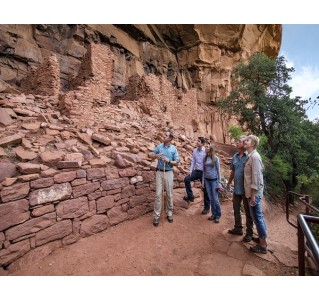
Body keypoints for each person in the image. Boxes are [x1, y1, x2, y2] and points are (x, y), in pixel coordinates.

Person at [226, 135, 254, 242]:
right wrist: (229, 183)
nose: (237, 143)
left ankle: (249, 233)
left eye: (239, 141)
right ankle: (238, 228)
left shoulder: (249, 157)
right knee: (236, 208)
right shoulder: (235, 156)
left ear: (244, 144)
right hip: (237, 187)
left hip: (246, 189)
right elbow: (233, 171)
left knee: (248, 211)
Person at [243, 135, 268, 254]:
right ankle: (261, 238)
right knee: (257, 217)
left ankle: (263, 245)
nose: (244, 141)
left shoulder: (255, 157)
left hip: (254, 193)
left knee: (257, 217)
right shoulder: (250, 156)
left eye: (247, 140)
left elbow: (256, 178)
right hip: (251, 193)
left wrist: (253, 195)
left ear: (252, 144)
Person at [150, 131, 179, 227]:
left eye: (166, 135)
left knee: (169, 194)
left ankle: (169, 213)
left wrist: (169, 161)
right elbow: (151, 157)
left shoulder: (173, 149)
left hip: (169, 172)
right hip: (159, 172)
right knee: (158, 194)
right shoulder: (159, 147)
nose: (164, 136)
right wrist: (156, 156)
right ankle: (156, 216)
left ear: (170, 138)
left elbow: (177, 162)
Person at [183, 136, 210, 214]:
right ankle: (190, 196)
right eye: (197, 141)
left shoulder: (205, 151)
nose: (196, 142)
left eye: (198, 141)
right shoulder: (195, 150)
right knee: (186, 179)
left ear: (202, 143)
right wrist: (190, 171)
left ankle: (207, 208)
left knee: (205, 190)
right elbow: (193, 161)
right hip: (196, 171)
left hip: (204, 172)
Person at [201, 143, 222, 223]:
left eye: (207, 146)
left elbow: (218, 171)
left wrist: (219, 182)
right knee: (211, 198)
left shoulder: (215, 158)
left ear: (210, 148)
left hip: (214, 180)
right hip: (207, 180)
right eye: (205, 146)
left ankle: (218, 215)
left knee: (215, 199)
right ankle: (213, 214)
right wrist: (203, 181)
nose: (205, 147)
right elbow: (204, 170)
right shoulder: (205, 158)